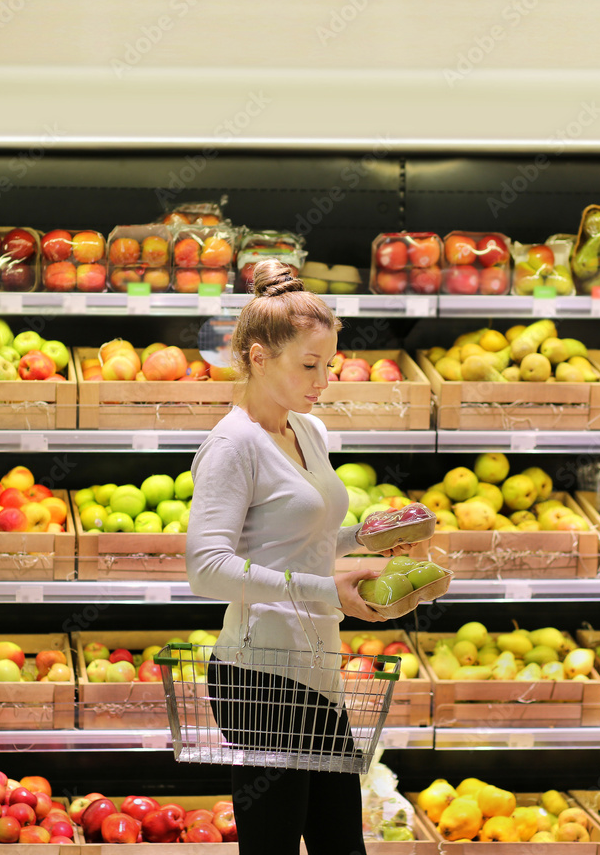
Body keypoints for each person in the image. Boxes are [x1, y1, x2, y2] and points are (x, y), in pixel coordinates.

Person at [186, 258, 395, 855]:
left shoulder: (307, 432)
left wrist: (364, 537)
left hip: (315, 667)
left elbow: (301, 542)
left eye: (328, 363)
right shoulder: (233, 445)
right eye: (309, 365)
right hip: (258, 676)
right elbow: (206, 568)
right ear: (257, 356)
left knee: (340, 846)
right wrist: (329, 589)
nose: (323, 380)